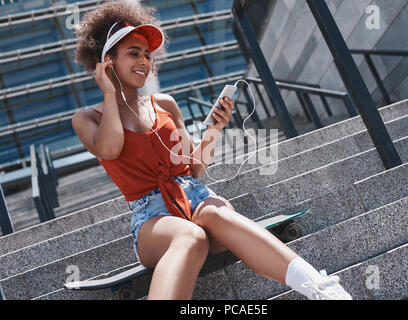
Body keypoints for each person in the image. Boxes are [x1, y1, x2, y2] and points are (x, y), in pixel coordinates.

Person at [71, 0, 352, 300]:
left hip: (195, 197)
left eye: (147, 55)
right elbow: (111, 148)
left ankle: (321, 289)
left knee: (218, 216)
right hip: (152, 218)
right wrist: (110, 93)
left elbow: (194, 168)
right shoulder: (88, 119)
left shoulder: (165, 104)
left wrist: (214, 130)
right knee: (189, 236)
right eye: (133, 53)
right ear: (107, 61)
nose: (144, 61)